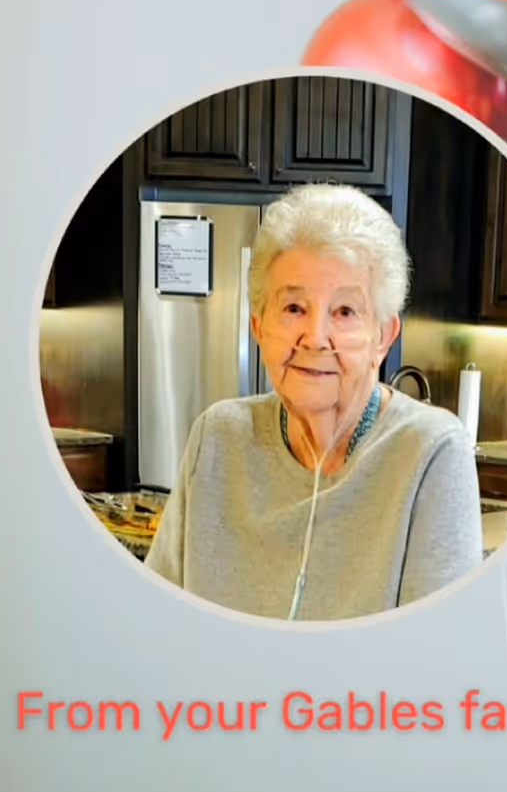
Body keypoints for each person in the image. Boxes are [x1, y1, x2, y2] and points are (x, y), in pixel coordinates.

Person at [145, 183, 483, 620]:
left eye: (345, 311)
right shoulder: (217, 436)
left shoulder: (430, 452)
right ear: (258, 325)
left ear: (383, 336)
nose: (315, 337)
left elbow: (436, 659)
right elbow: (156, 620)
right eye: (293, 308)